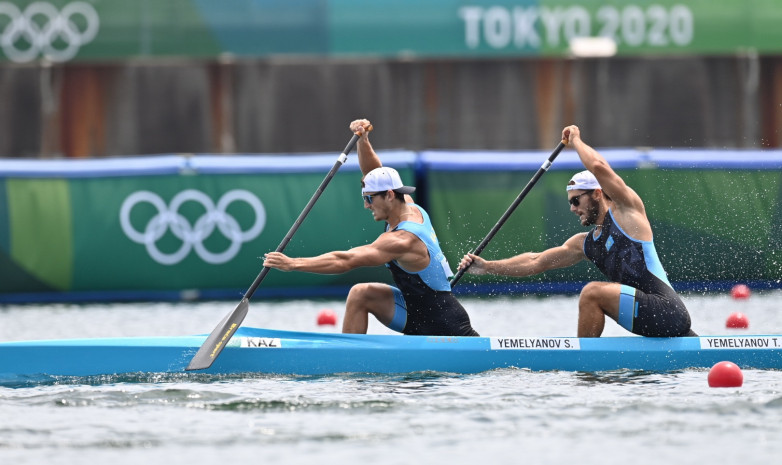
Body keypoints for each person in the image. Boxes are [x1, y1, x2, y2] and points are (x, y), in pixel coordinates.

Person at [458, 125, 696, 338]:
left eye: (576, 201)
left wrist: (576, 141)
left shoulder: (626, 212)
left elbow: (598, 166)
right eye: (570, 203)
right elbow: (536, 261)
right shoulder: (585, 243)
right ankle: (587, 366)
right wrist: (488, 266)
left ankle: (584, 370)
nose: (572, 208)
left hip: (667, 310)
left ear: (597, 193)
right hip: (653, 318)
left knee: (592, 293)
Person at [263, 119, 479, 337]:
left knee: (360, 291)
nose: (366, 205)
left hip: (443, 326)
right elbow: (375, 173)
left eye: (369, 199)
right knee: (360, 294)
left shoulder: (402, 240)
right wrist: (363, 140)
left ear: (390, 196)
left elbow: (345, 260)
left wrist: (293, 263)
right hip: (415, 311)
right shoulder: (407, 206)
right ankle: (348, 359)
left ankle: (348, 357)